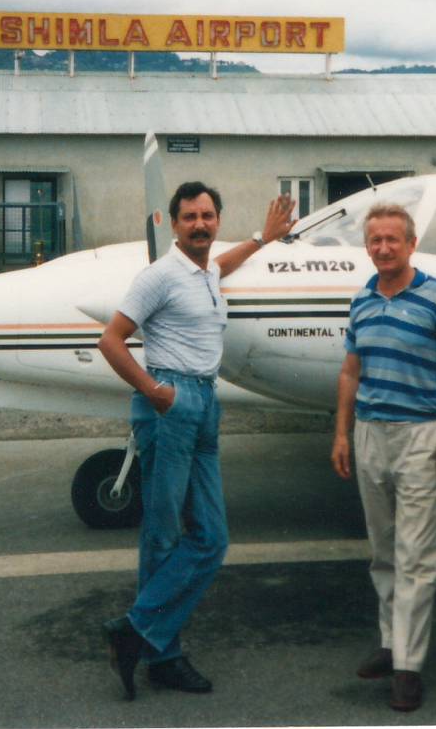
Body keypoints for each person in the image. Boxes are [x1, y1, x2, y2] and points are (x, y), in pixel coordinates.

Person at [97, 182, 294, 700]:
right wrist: (154, 392)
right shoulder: (159, 276)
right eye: (190, 217)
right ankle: (162, 654)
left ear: (216, 220)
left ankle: (136, 631)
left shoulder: (206, 269)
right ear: (175, 223)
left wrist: (263, 238)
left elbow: (221, 264)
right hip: (171, 401)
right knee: (163, 536)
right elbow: (110, 340)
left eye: (208, 216)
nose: (200, 224)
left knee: (211, 537)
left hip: (205, 402)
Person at [330, 202, 436, 713]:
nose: (384, 248)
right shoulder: (363, 299)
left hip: (420, 435)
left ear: (411, 244)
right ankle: (391, 644)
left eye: (393, 239)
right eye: (375, 241)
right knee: (383, 550)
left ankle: (409, 667)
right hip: (370, 433)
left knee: (416, 556)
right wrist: (342, 433)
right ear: (367, 247)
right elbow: (350, 372)